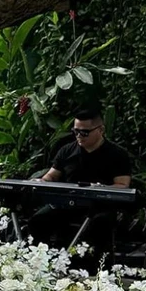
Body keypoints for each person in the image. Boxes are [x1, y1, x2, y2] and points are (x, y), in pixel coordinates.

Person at [28, 104, 133, 263]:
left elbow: (123, 185)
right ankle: (43, 262)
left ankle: (96, 269)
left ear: (101, 130)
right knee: (38, 219)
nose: (79, 136)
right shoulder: (67, 150)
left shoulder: (117, 154)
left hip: (100, 206)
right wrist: (41, 181)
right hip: (67, 204)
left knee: (100, 224)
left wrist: (101, 189)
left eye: (84, 132)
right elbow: (52, 176)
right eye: (76, 131)